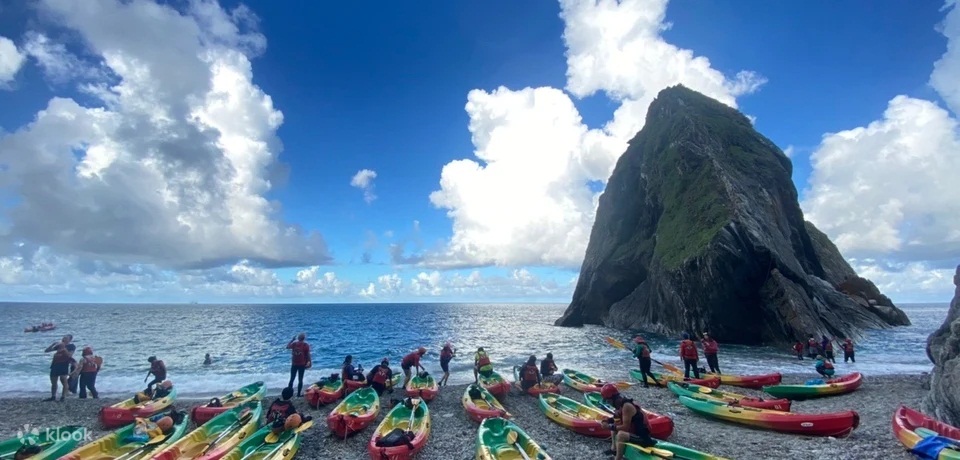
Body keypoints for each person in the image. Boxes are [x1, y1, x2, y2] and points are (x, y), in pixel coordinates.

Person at [600, 384, 656, 460]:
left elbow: (625, 427)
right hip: (634, 432)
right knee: (614, 427)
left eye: (608, 400)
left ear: (613, 398)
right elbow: (616, 417)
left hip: (643, 437)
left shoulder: (626, 406)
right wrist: (606, 421)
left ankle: (618, 458)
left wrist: (608, 426)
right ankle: (614, 450)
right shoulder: (620, 403)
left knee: (621, 434)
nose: (608, 402)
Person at [44, 335, 74, 402]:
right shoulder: (59, 346)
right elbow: (46, 351)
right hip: (55, 365)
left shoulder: (71, 346)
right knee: (53, 381)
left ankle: (63, 397)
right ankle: (53, 396)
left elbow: (69, 355)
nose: (63, 339)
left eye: (66, 338)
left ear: (69, 340)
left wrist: (64, 348)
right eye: (63, 338)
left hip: (63, 365)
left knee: (63, 380)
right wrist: (53, 345)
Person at [286, 333, 312, 397]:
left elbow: (287, 347)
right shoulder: (306, 345)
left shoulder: (294, 344)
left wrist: (292, 340)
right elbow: (308, 354)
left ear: (298, 338)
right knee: (300, 379)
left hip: (294, 364)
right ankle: (298, 394)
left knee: (292, 379)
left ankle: (289, 393)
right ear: (304, 338)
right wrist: (309, 362)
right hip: (301, 364)